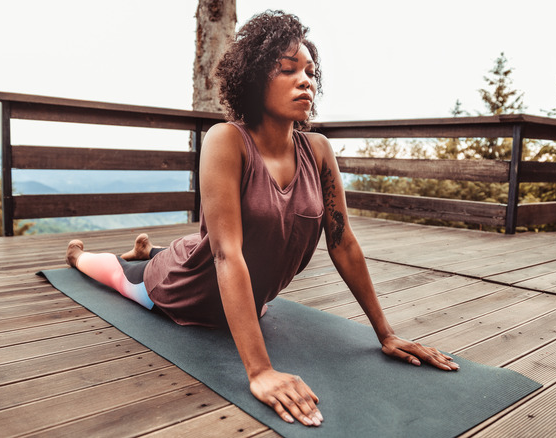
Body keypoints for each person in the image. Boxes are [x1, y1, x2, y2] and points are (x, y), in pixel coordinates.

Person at [65, 10, 459, 428]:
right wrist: (259, 372)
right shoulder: (226, 140)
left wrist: (386, 334)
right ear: (254, 79)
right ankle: (86, 257)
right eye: (288, 70)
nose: (305, 79)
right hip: (184, 289)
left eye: (309, 71)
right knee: (121, 279)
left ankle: (150, 250)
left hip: (246, 298)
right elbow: (226, 257)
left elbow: (343, 243)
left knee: (199, 246)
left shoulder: (319, 151)